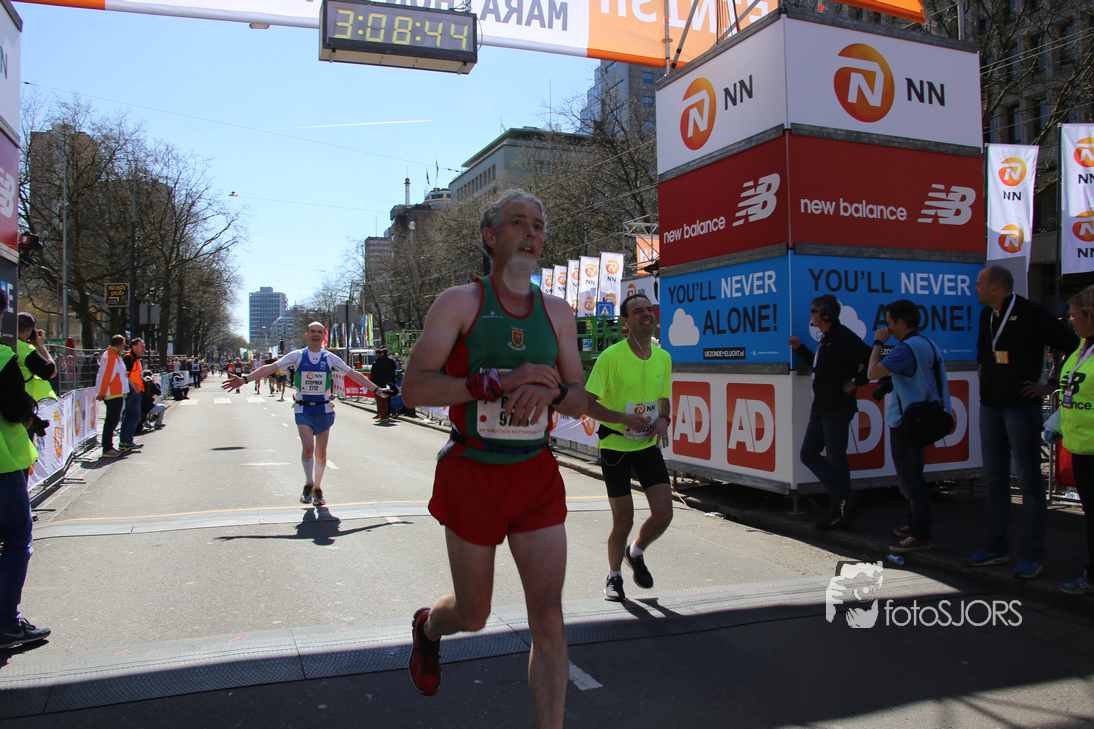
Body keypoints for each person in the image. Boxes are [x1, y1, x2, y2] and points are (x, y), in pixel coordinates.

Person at [400, 189, 587, 728]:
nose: (531, 232)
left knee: (548, 617)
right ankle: (429, 629)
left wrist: (552, 391)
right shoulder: (459, 302)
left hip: (534, 472)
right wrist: (495, 382)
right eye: (518, 222)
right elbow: (414, 388)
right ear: (490, 236)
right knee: (474, 613)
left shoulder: (557, 312)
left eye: (539, 225)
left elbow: (578, 397)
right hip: (473, 472)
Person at [967, 264, 1079, 579]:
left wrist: (1050, 384)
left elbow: (1071, 344)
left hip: (1021, 408)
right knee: (995, 480)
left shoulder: (1032, 313)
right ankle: (996, 547)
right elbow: (983, 353)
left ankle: (1032, 554)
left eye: (979, 284)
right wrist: (985, 381)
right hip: (991, 406)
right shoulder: (986, 314)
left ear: (995, 287)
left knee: (1029, 483)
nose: (975, 289)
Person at [224, 322, 387, 508]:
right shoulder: (297, 356)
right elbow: (270, 368)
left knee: (321, 453)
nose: (316, 335)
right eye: (312, 332)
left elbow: (353, 374)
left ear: (323, 336)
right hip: (303, 409)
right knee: (308, 447)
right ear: (307, 334)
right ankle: (309, 483)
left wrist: (376, 389)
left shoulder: (330, 358)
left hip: (324, 409)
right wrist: (244, 379)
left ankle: (318, 487)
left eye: (319, 332)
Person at [584, 293, 673, 602]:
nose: (646, 314)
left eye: (649, 309)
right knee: (624, 519)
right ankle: (614, 576)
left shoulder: (663, 357)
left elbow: (664, 398)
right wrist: (623, 419)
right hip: (615, 446)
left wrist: (664, 419)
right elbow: (587, 404)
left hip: (646, 445)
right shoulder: (611, 357)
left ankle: (635, 552)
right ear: (626, 323)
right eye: (638, 311)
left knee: (664, 514)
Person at [867, 299, 952, 555]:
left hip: (908, 420)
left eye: (889, 322)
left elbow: (872, 372)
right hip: (927, 416)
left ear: (900, 321)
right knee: (913, 474)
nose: (888, 328)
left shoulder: (905, 349)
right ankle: (915, 523)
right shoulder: (928, 343)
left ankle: (921, 534)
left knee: (910, 480)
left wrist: (878, 343)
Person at [789, 294, 871, 531]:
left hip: (836, 408)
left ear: (825, 315)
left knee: (836, 459)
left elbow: (871, 358)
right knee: (808, 453)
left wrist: (856, 382)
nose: (811, 315)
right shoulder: (827, 339)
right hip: (821, 407)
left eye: (814, 311)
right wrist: (801, 349)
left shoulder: (844, 337)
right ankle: (844, 497)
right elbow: (820, 367)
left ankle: (840, 509)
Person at [0, 295, 51, 650]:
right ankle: (6, 622)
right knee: (17, 539)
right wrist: (29, 409)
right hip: (4, 462)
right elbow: (15, 409)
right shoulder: (5, 356)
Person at [1055, 286, 1094, 596]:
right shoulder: (1082, 347)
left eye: (1074, 314)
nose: (1070, 320)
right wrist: (1055, 422)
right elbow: (1071, 391)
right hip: (1080, 447)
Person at [95, 335, 130, 458]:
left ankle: (108, 447)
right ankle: (107, 448)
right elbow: (107, 376)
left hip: (114, 392)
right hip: (113, 393)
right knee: (111, 421)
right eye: (123, 343)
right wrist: (102, 392)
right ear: (119, 344)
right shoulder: (112, 356)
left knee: (112, 421)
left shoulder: (112, 355)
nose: (124, 346)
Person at [15, 313, 57, 403]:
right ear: (28, 332)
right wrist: (41, 346)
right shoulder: (27, 351)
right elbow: (52, 372)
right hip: (24, 401)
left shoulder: (6, 345)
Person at [118, 338, 147, 452]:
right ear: (134, 347)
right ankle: (127, 441)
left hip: (135, 391)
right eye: (141, 346)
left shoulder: (135, 358)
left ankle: (125, 442)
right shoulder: (129, 357)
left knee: (130, 416)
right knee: (134, 417)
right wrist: (133, 384)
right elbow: (124, 373)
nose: (144, 348)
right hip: (132, 391)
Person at [370, 347, 398, 422]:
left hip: (378, 385)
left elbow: (373, 376)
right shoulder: (388, 362)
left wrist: (371, 385)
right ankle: (386, 414)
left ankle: (382, 415)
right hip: (387, 384)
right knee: (386, 400)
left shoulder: (376, 363)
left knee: (380, 401)